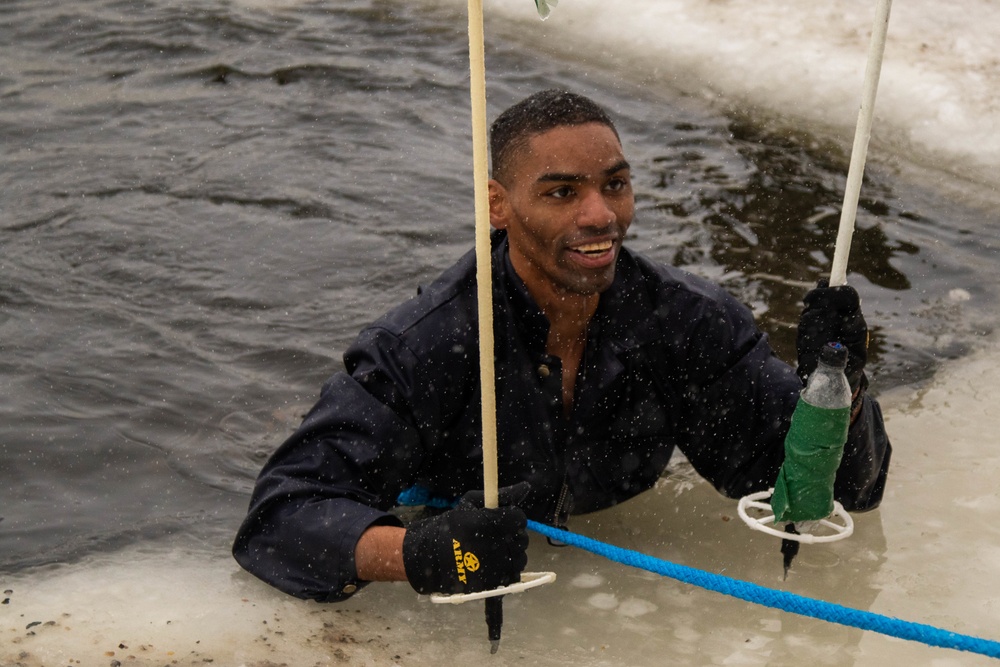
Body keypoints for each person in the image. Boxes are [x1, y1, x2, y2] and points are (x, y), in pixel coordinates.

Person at [233, 89, 891, 601]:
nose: (600, 214)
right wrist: (424, 555)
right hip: (440, 521)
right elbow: (280, 516)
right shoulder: (427, 342)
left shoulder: (688, 322)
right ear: (498, 203)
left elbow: (833, 492)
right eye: (561, 192)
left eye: (614, 184)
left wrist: (837, 389)